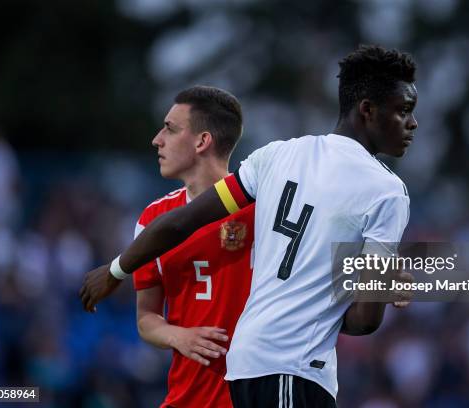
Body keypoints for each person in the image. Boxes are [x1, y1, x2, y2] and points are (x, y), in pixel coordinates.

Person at [80, 44, 418, 407]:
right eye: (404, 111)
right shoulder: (387, 191)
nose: (412, 123)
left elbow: (181, 222)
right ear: (367, 109)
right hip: (295, 365)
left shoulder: (277, 155)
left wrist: (116, 270)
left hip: (245, 365)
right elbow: (365, 321)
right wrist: (374, 289)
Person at [130, 85, 255, 407]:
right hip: (187, 397)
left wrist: (385, 281)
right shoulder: (153, 219)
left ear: (202, 141)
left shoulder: (263, 210)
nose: (157, 139)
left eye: (170, 129)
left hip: (258, 394)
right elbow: (146, 317)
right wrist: (179, 335)